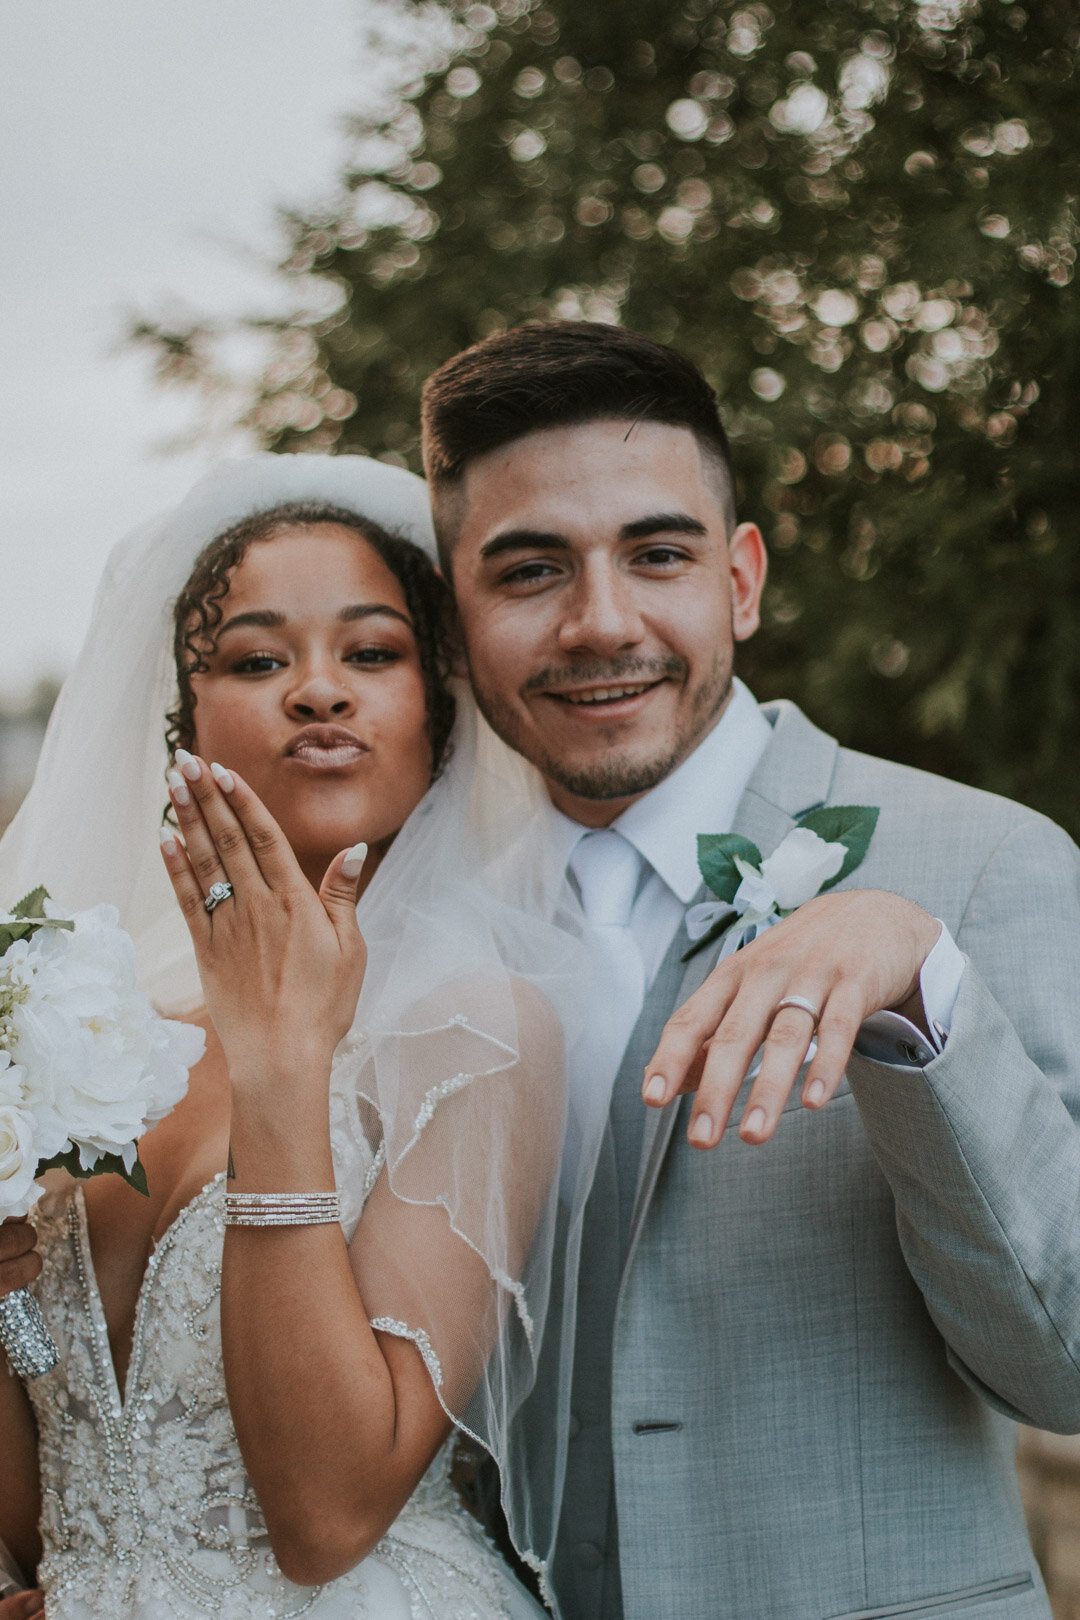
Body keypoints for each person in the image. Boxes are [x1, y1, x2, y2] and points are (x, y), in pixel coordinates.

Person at [419, 321, 1080, 1620]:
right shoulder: (424, 943)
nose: (600, 624)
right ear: (455, 618)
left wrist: (925, 1012)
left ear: (744, 579)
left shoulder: (990, 866)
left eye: (656, 556)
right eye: (530, 571)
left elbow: (1067, 1370)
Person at [0, 454, 597, 1618]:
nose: (318, 691)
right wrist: (5, 1302)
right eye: (258, 659)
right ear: (188, 718)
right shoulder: (103, 1043)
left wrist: (282, 1067)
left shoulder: (475, 1031)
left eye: (370, 654)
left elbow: (326, 1516)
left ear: (438, 709)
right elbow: (58, 1513)